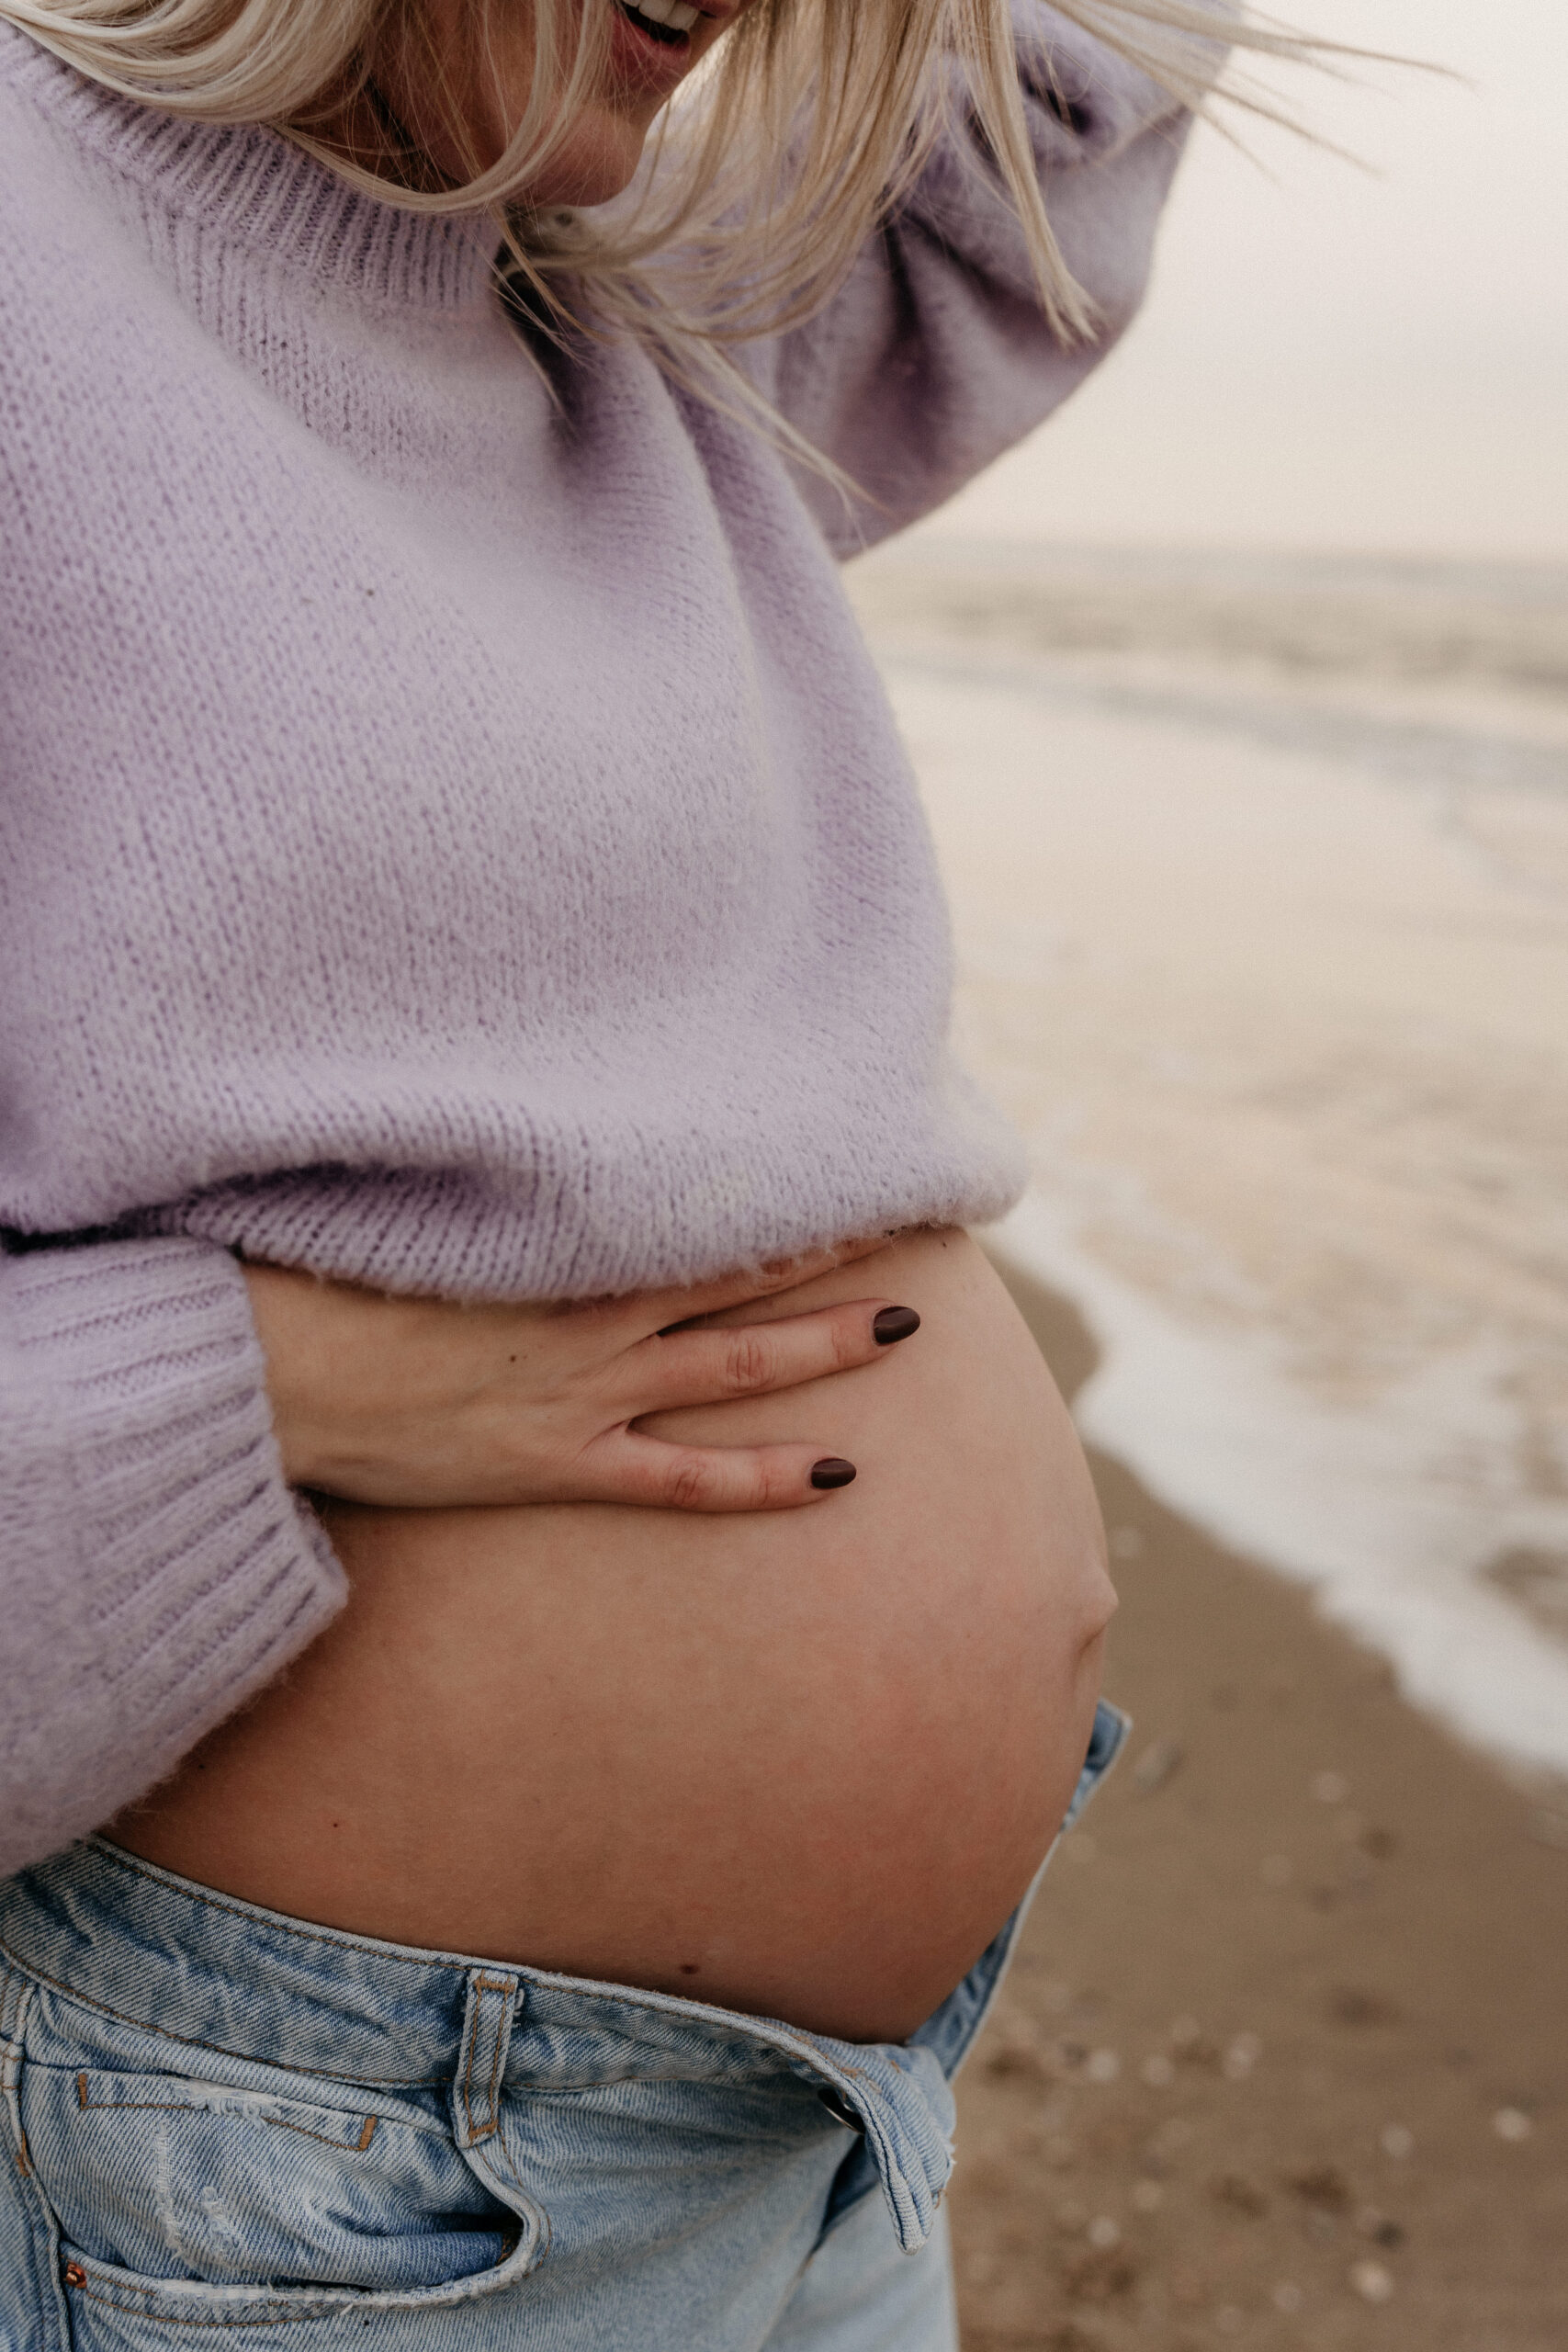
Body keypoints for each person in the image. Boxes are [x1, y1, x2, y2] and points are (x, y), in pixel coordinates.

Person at [0, 0, 1285, 2341]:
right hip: (335, 2170)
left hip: (819, 2130)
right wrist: (239, 1392)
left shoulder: (590, 290)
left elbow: (1028, 179)